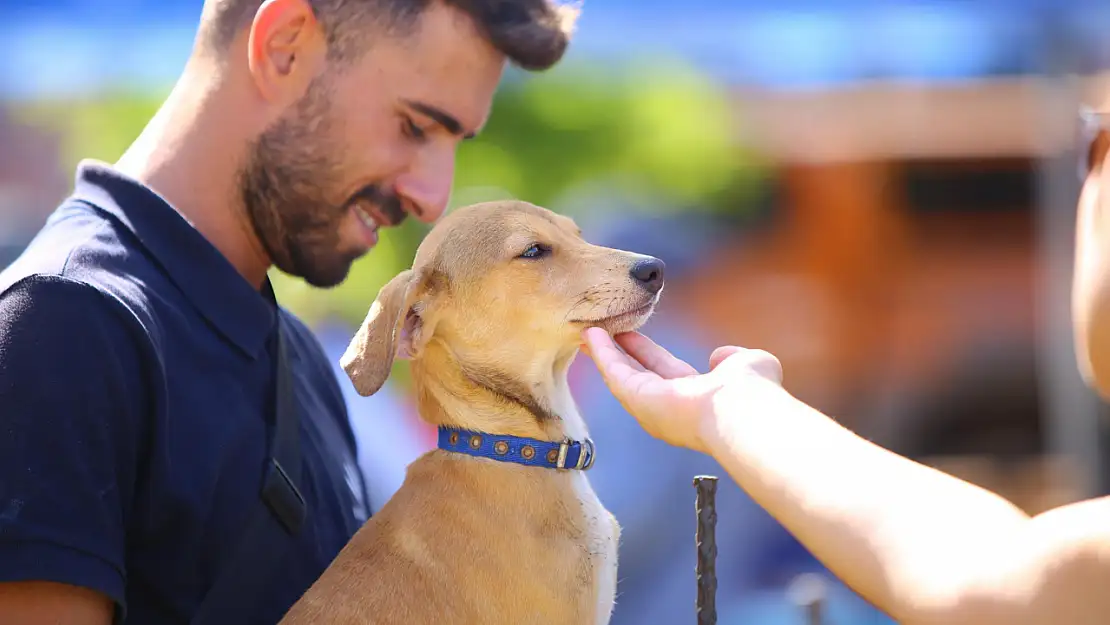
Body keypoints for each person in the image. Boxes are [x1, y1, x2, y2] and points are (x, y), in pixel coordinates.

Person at [0, 0, 576, 623]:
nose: (432, 197)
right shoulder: (63, 327)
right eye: (414, 126)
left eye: (454, 141)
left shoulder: (297, 355)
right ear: (285, 45)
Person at [580, 105, 1110, 625]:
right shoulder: (656, 358)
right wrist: (736, 406)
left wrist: (735, 407)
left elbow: (994, 578)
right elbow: (995, 575)